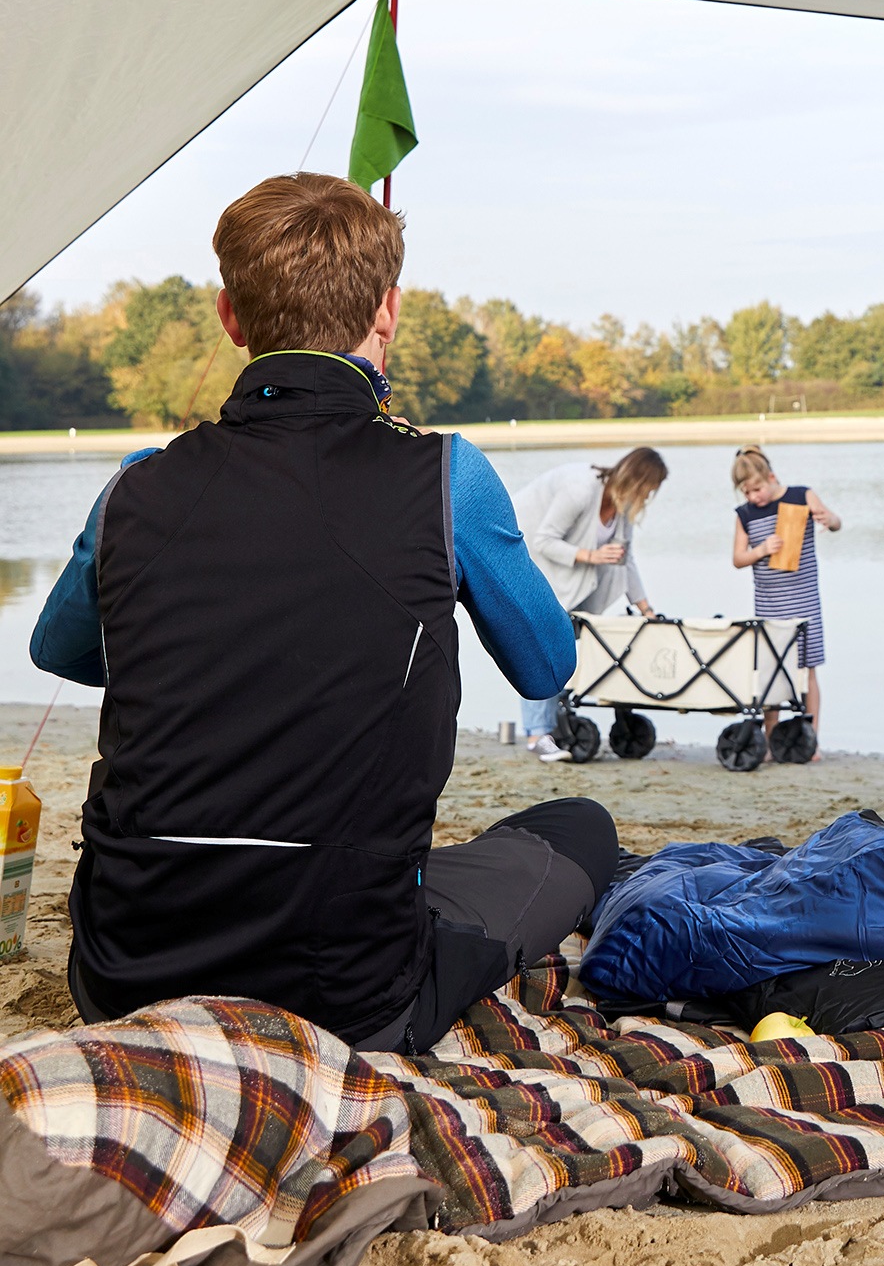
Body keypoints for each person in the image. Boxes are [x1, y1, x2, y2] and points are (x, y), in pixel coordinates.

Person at [29, 173, 618, 1053]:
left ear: (231, 318)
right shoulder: (446, 477)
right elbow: (547, 666)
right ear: (387, 312)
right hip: (347, 998)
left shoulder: (138, 483)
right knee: (579, 826)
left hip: (122, 979)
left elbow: (60, 650)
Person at [512, 449, 667, 761]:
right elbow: (543, 540)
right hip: (531, 559)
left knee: (568, 643)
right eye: (647, 491)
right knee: (546, 646)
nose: (647, 499)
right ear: (634, 481)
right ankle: (537, 735)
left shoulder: (622, 507)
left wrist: (647, 610)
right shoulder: (580, 489)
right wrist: (592, 556)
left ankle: (553, 725)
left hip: (575, 576)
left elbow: (626, 560)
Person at [730, 446, 839, 743]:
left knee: (808, 671)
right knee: (770, 672)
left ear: (771, 477)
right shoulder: (746, 514)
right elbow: (738, 559)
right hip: (769, 603)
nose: (754, 497)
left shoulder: (801, 496)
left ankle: (810, 740)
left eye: (758, 489)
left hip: (804, 601)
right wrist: (761, 550)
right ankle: (770, 739)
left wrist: (827, 519)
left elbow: (836, 522)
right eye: (746, 492)